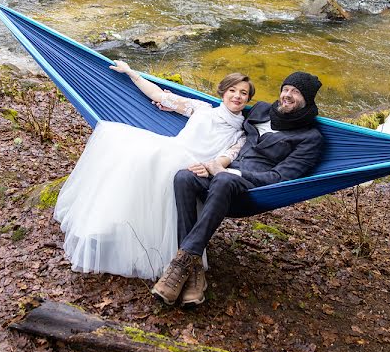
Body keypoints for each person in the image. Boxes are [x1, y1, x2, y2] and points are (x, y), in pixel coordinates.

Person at [53, 60, 255, 280]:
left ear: (248, 99)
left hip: (190, 168)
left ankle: (140, 247)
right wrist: (132, 73)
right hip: (170, 149)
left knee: (152, 166)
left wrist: (208, 167)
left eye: (243, 93)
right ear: (223, 93)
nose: (237, 96)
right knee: (120, 144)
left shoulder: (241, 135)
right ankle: (103, 231)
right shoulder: (202, 109)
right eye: (232, 90)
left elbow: (224, 160)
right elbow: (159, 96)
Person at [153, 71, 325, 306]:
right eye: (286, 89)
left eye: (295, 92)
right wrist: (170, 104)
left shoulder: (310, 138)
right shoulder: (262, 109)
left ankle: (178, 267)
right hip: (221, 176)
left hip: (250, 191)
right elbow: (227, 112)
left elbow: (280, 176)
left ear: (307, 99)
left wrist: (228, 172)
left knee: (224, 180)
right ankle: (193, 274)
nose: (287, 95)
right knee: (185, 176)